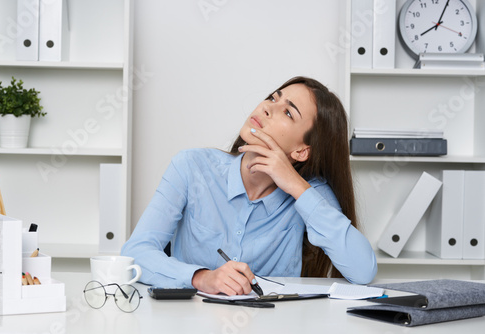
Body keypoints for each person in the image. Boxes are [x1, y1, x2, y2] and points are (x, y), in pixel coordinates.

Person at [121, 76, 377, 295]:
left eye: (288, 112)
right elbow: (135, 252)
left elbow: (363, 271)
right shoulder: (191, 167)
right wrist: (201, 277)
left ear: (301, 151)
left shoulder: (310, 193)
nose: (267, 108)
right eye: (273, 98)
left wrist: (294, 185)